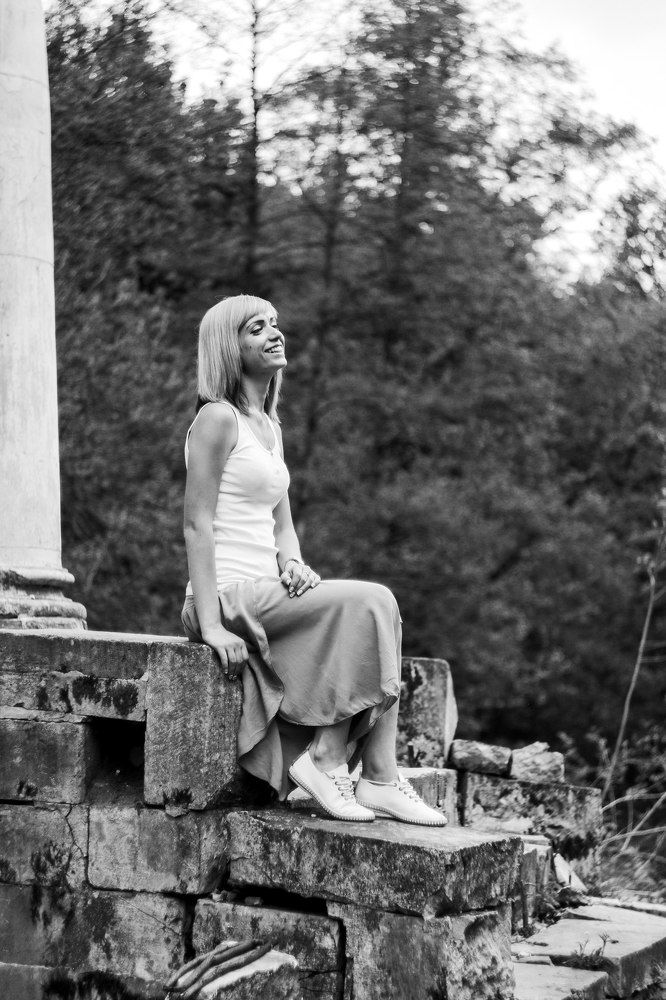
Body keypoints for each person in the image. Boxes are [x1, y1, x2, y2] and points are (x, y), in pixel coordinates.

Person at [181, 294, 445, 826]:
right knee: (372, 601)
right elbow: (196, 525)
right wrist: (210, 624)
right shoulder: (217, 418)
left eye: (275, 324)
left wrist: (293, 563)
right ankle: (326, 760)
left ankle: (379, 777)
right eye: (257, 328)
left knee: (385, 613)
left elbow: (282, 524)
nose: (274, 333)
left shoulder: (268, 425)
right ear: (229, 347)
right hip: (228, 597)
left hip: (268, 590)